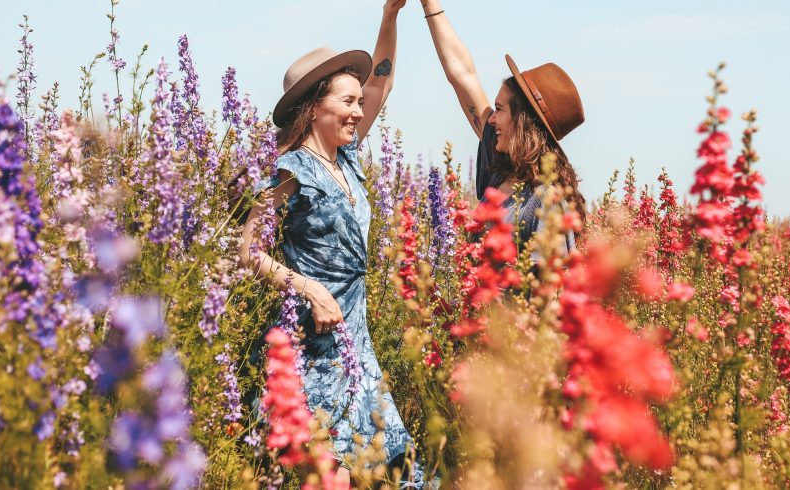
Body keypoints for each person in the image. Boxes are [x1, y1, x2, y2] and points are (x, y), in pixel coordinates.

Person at [239, 1, 428, 486]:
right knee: (331, 479)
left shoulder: (347, 159)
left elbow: (381, 82)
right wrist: (310, 288)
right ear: (315, 106)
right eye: (347, 102)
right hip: (314, 344)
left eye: (358, 104)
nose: (358, 111)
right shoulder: (289, 171)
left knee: (402, 471)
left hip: (356, 344)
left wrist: (391, 15)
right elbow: (248, 252)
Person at [419, 0, 585, 254]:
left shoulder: (546, 203)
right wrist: (428, 3)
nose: (491, 119)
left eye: (499, 109)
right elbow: (462, 76)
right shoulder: (499, 169)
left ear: (523, 123)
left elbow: (550, 290)